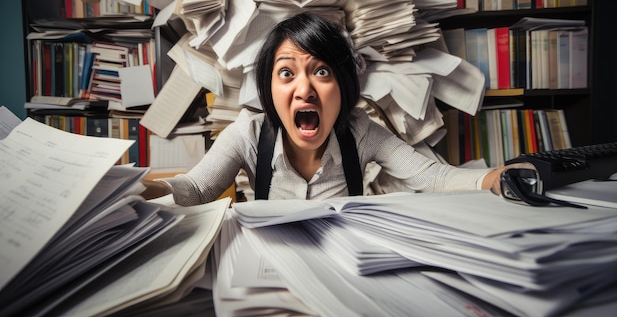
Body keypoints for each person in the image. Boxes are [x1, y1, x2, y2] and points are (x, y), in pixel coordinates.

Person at [141, 12, 534, 204]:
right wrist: (135, 190)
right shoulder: (248, 132)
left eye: (322, 71)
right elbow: (194, 188)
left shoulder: (359, 131)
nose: (304, 89)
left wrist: (494, 177)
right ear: (269, 87)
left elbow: (432, 177)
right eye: (286, 73)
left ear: (343, 88)